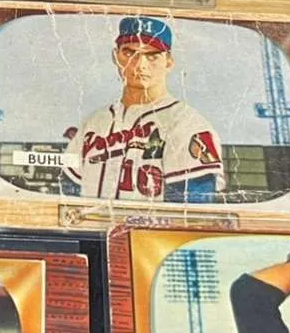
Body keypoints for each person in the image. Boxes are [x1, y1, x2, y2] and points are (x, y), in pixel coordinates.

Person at [63, 17, 224, 202]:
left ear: (169, 61)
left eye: (152, 56)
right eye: (129, 53)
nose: (140, 65)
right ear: (115, 56)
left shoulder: (186, 124)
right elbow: (67, 191)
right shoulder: (94, 123)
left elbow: (192, 209)